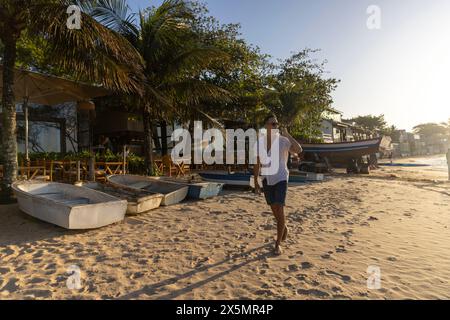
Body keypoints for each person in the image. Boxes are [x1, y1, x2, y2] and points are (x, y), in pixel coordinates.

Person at [254, 114, 303, 255]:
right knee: (274, 209)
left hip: (281, 178)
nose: (276, 126)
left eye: (276, 124)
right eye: (273, 124)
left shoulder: (283, 141)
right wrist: (256, 182)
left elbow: (298, 150)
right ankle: (284, 228)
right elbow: (256, 163)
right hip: (267, 179)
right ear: (266, 126)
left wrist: (288, 134)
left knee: (279, 209)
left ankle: (277, 244)